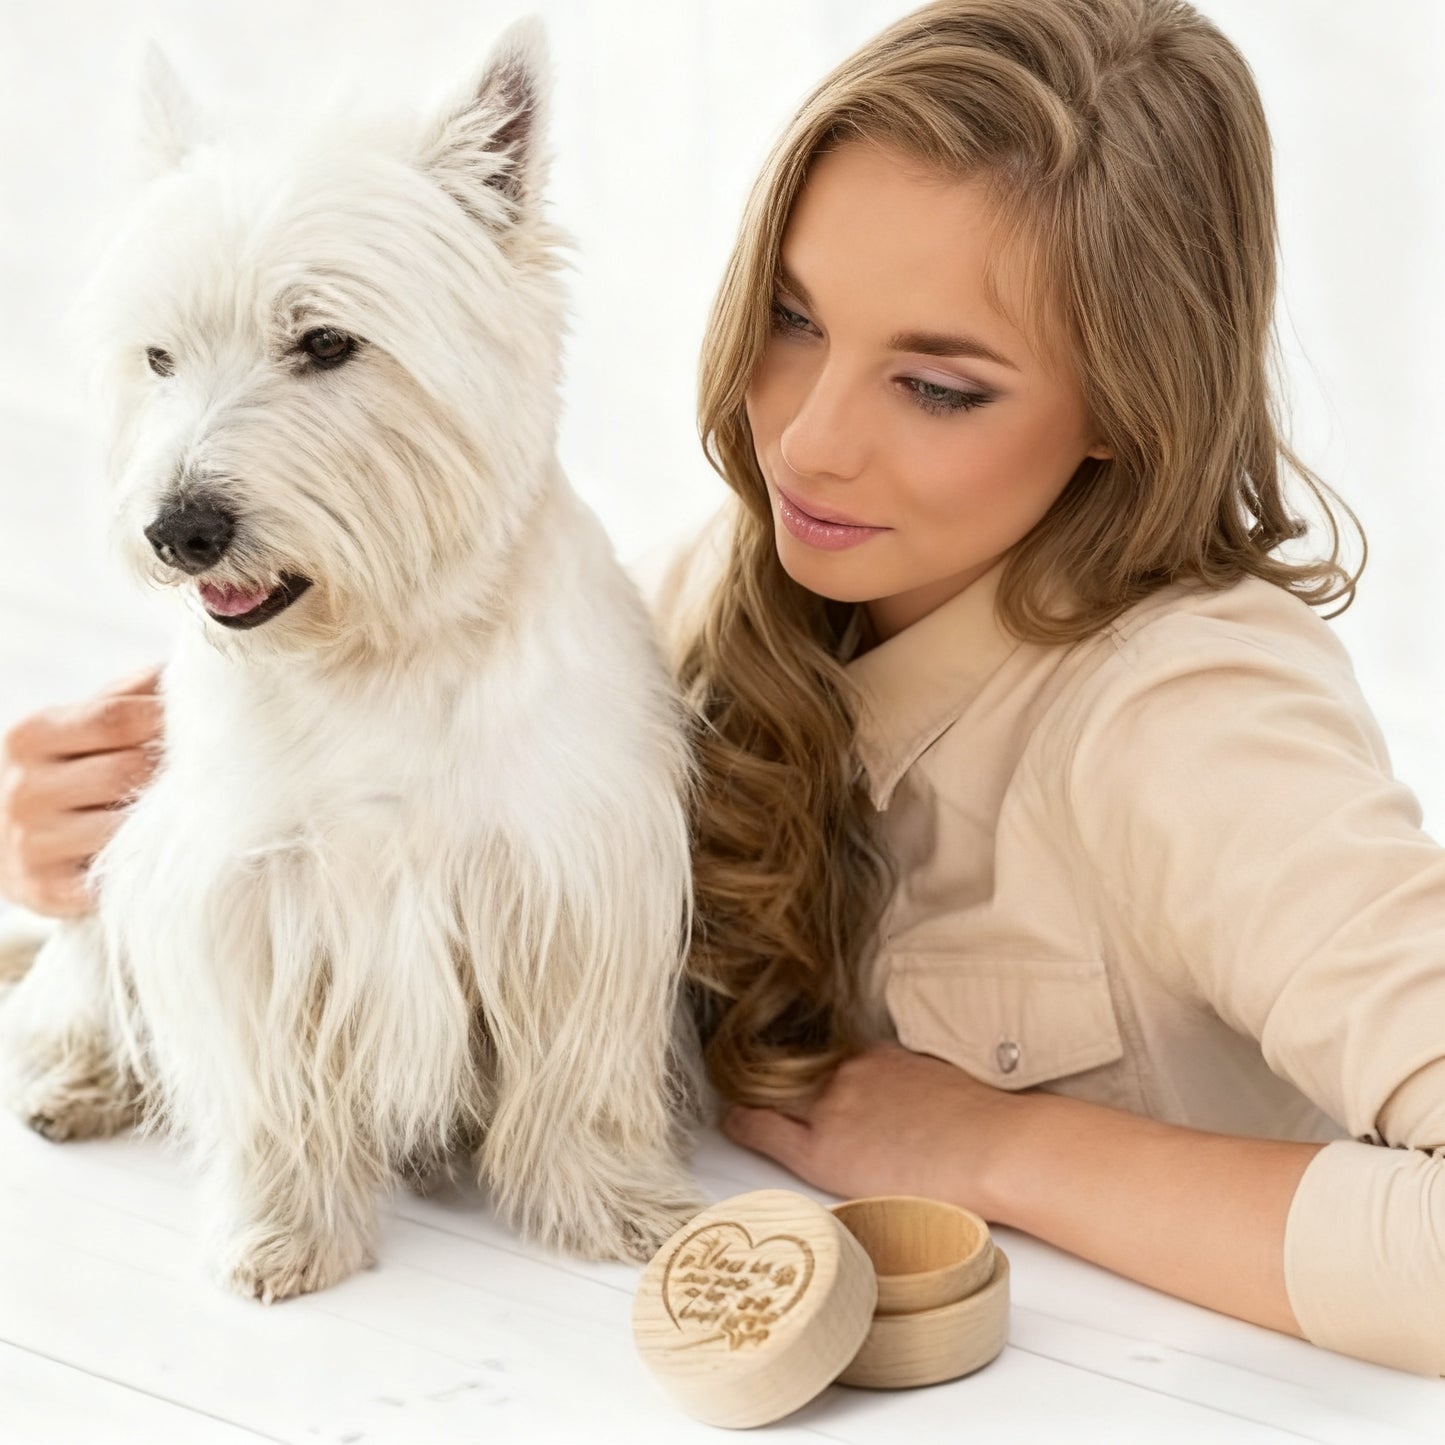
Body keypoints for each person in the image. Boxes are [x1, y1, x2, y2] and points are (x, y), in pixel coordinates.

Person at [2, 0, 1440, 1378]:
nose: (804, 448)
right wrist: (95, 843)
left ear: (1135, 411)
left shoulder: (1200, 724)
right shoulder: (726, 590)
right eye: (791, 318)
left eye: (937, 386)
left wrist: (987, 1145)